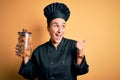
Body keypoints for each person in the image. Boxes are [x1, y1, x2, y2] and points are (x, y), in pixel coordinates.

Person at [16, 2, 89, 80]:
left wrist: (79, 55)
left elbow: (81, 71)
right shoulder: (39, 51)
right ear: (48, 28)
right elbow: (32, 75)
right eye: (55, 25)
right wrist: (26, 57)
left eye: (63, 26)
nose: (60, 30)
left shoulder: (73, 45)